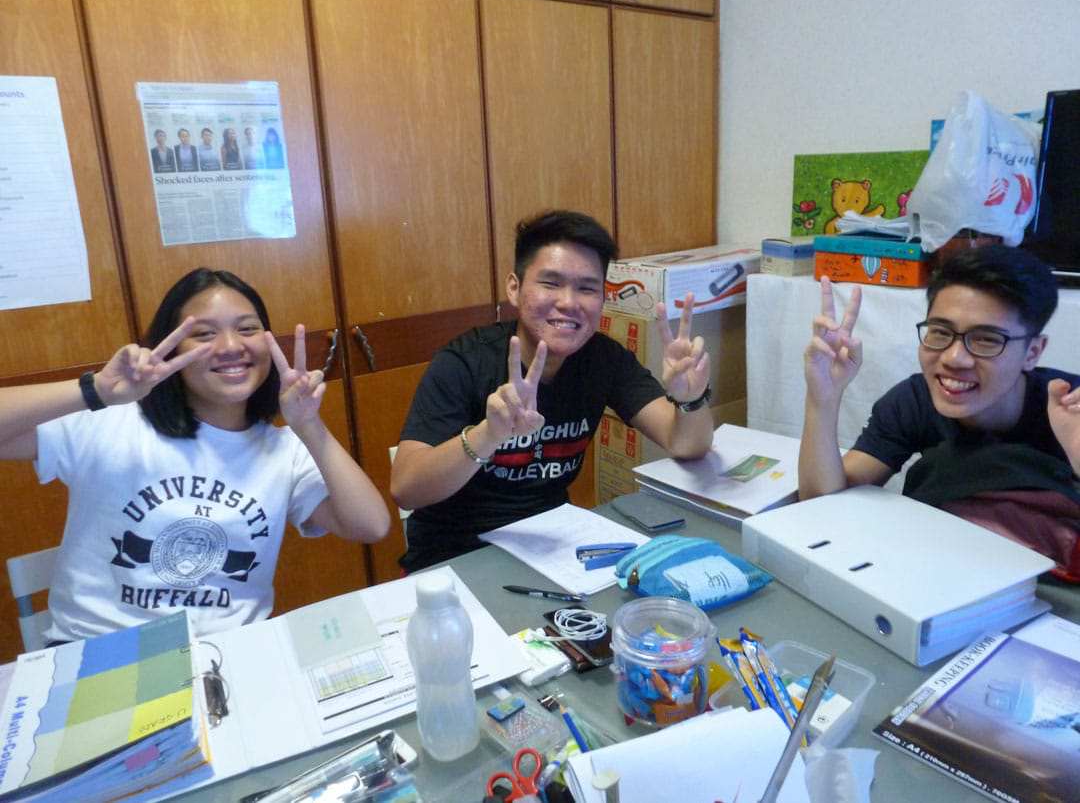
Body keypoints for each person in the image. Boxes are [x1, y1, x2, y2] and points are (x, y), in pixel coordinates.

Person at [0, 269, 390, 642]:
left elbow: (370, 526)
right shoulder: (110, 423)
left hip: (229, 652)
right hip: (103, 650)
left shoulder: (282, 449)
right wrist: (94, 392)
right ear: (169, 349)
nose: (231, 347)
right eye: (204, 334)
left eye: (247, 328)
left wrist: (309, 427)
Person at [391, 210, 715, 571]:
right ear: (514, 288)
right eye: (550, 283)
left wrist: (690, 398)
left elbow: (685, 443)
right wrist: (488, 434)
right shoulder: (464, 362)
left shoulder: (603, 359)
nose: (569, 302)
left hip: (552, 551)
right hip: (455, 556)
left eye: (587, 288)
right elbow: (407, 488)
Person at [799, 245, 1080, 579]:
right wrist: (823, 397)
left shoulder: (1071, 410)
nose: (954, 358)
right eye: (940, 332)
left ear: (1032, 352)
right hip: (942, 574)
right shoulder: (914, 400)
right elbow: (822, 503)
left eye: (987, 340)